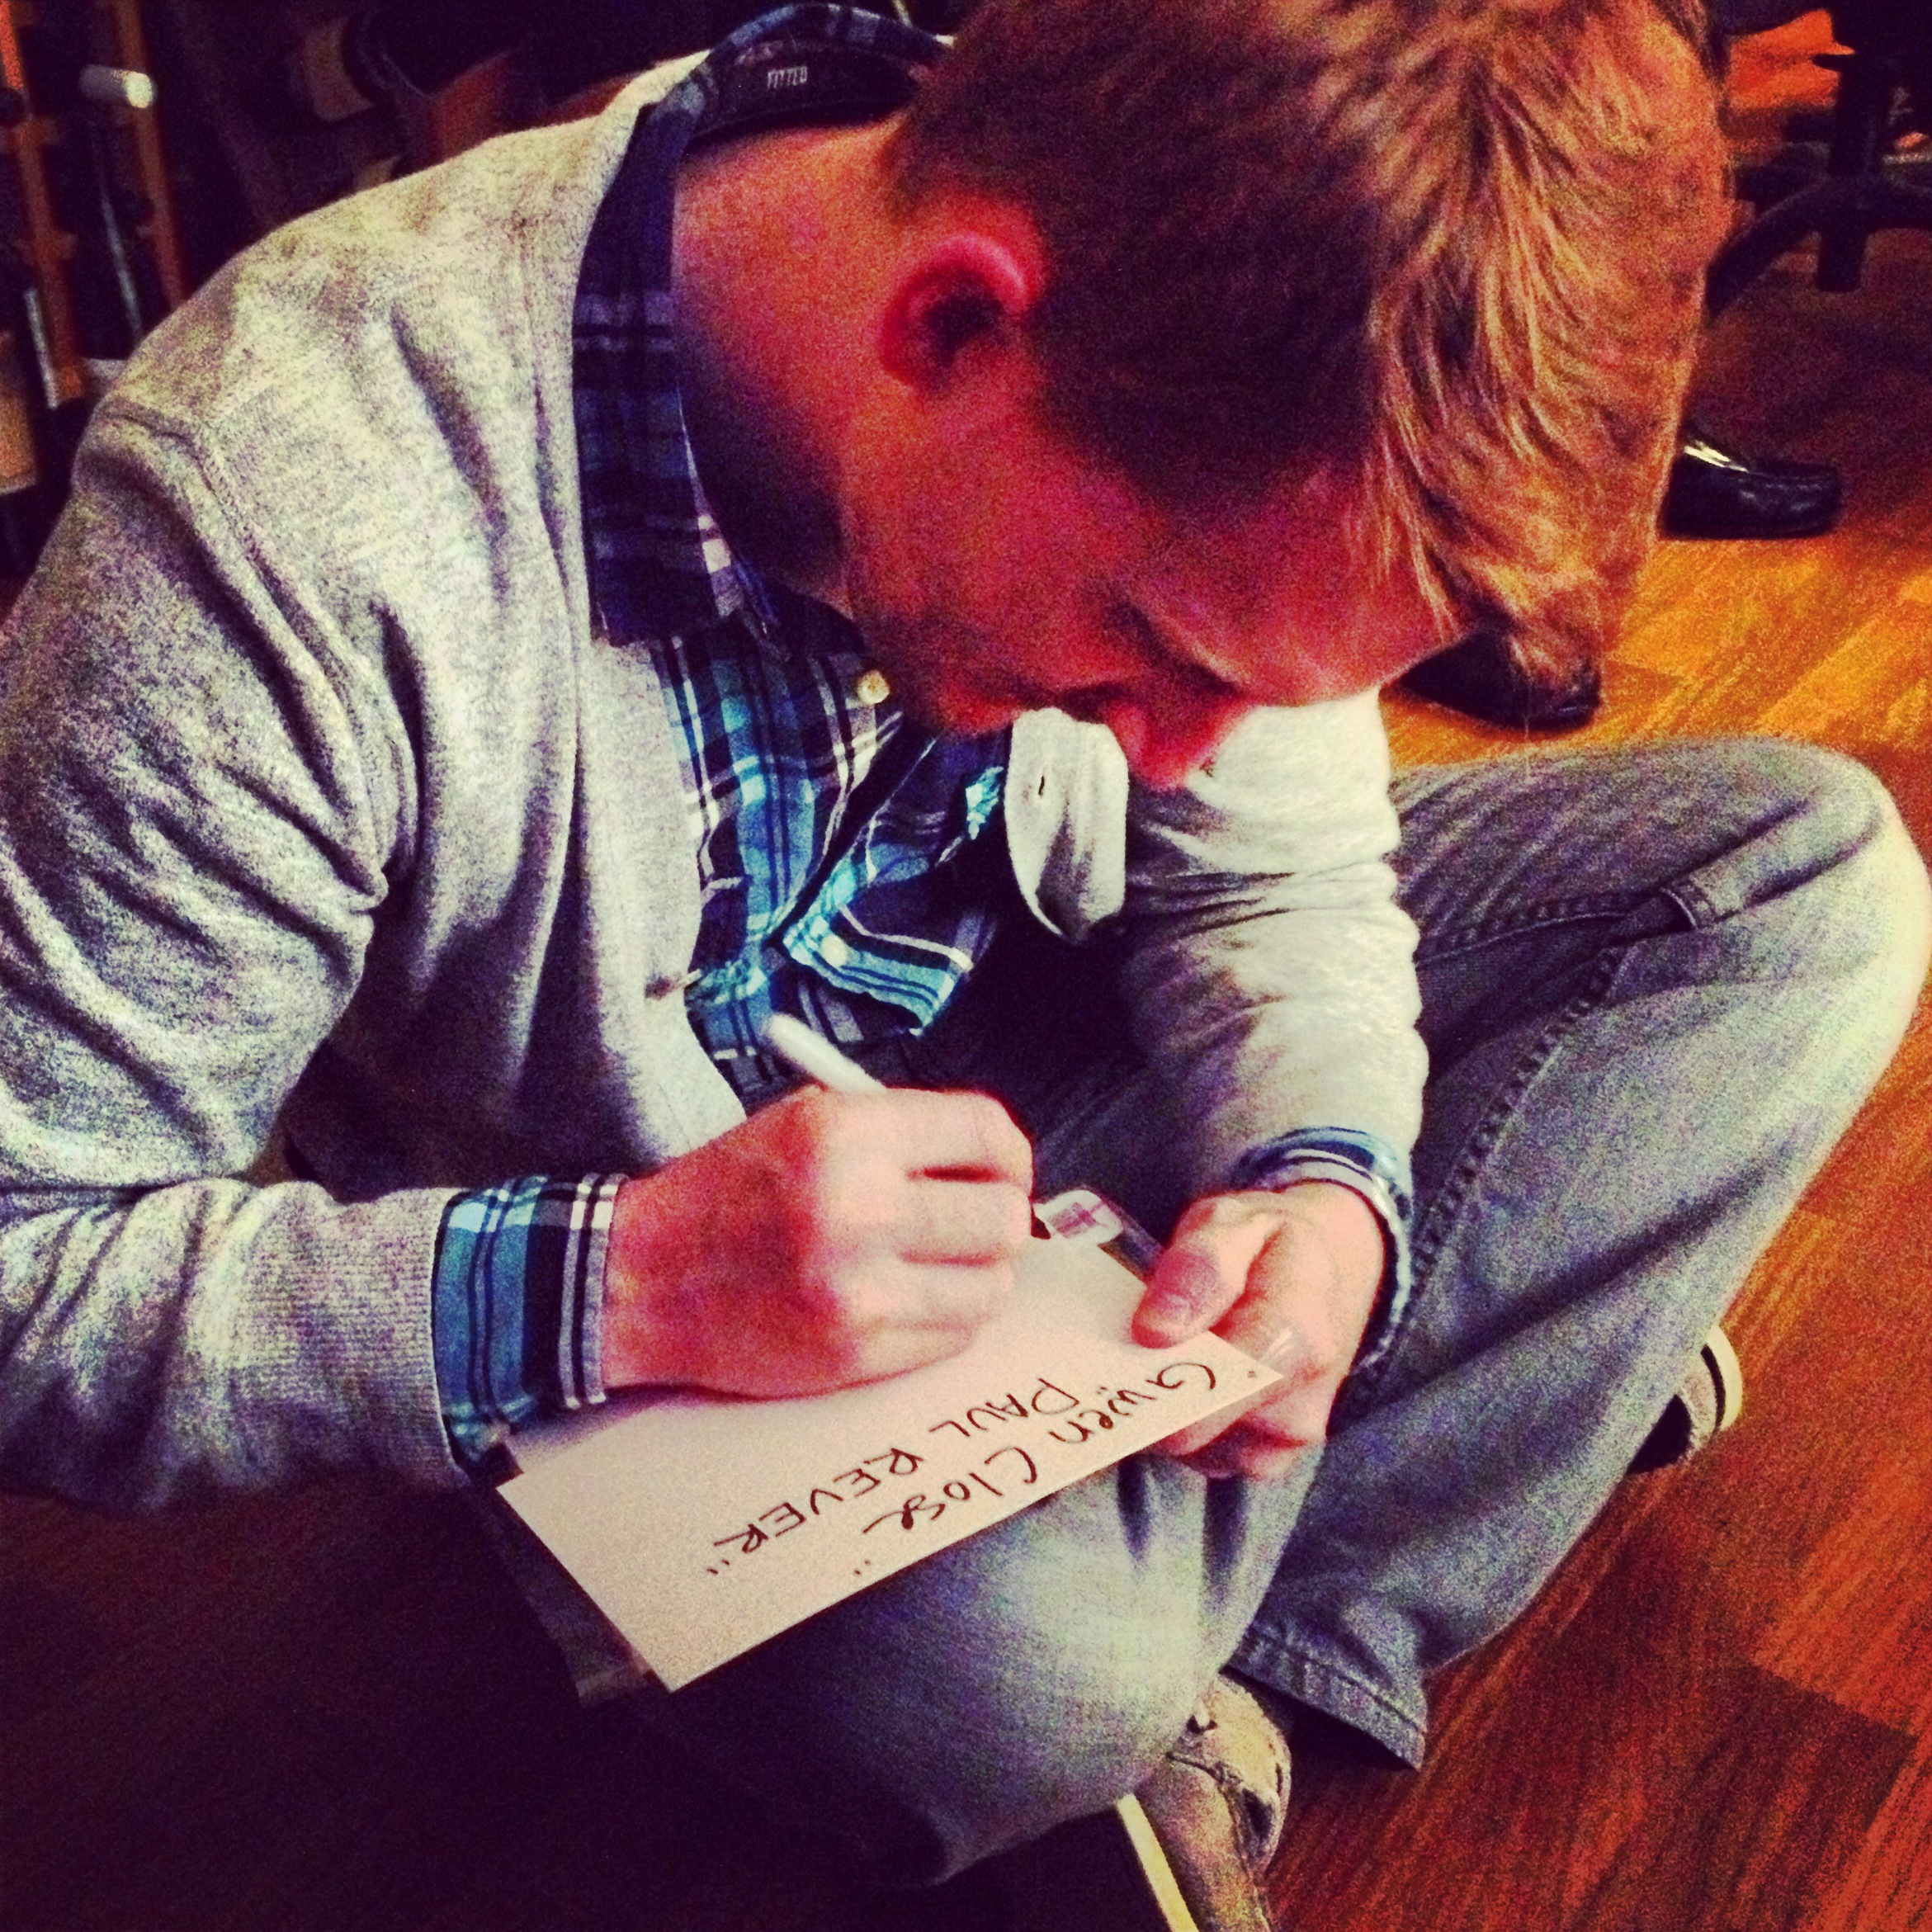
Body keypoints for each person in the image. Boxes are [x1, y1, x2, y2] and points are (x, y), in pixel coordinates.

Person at [0, 2, 1925, 1926]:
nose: (1177, 762)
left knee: (1805, 878)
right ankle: (1500, 1360)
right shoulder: (280, 523)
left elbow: (1277, 882)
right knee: (1008, 1702)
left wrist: (1323, 1179)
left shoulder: (1232, 357)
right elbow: (28, 1282)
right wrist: (627, 1280)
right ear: (944, 326)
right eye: (1156, 651)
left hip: (1020, 1061)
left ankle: (1287, 1590)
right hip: (642, 1230)